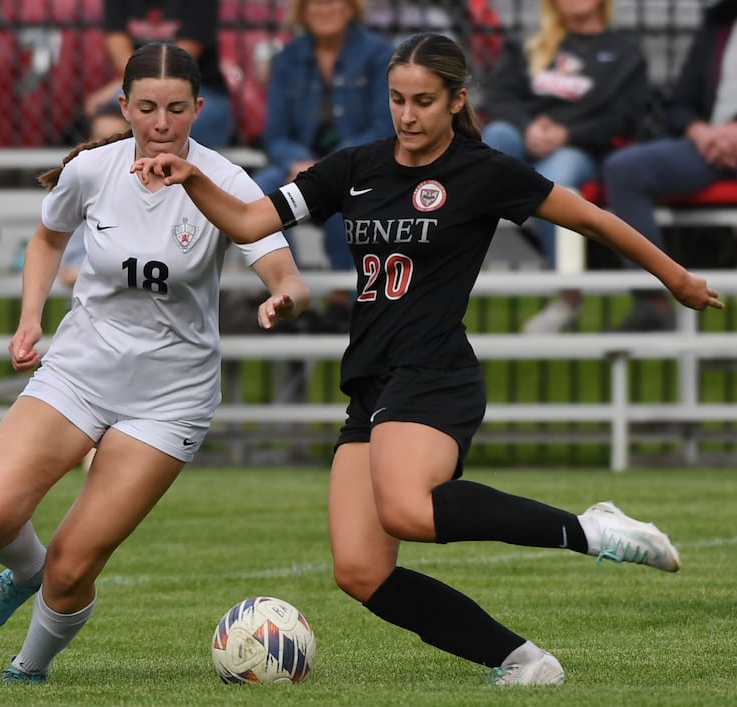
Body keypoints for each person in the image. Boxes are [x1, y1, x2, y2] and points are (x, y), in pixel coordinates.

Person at [132, 33, 722, 685]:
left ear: (456, 101)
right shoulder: (354, 168)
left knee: (408, 509)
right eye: (395, 99)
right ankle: (523, 661)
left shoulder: (483, 171)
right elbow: (247, 223)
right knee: (360, 569)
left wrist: (676, 278)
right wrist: (190, 179)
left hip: (435, 372)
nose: (407, 116)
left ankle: (590, 529)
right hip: (372, 383)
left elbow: (592, 220)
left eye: (423, 101)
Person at [0, 42, 310, 685]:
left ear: (199, 109)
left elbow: (286, 273)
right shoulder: (93, 170)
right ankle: (25, 571)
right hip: (79, 371)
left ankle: (27, 671)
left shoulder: (225, 181)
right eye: (147, 108)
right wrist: (30, 317)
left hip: (168, 397)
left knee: (73, 564)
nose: (162, 123)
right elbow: (45, 239)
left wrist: (281, 296)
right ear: (124, 106)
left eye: (177, 109)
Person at [480, 0, 648, 333]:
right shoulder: (530, 42)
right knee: (496, 134)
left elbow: (624, 119)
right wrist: (528, 127)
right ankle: (449, 261)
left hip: (577, 150)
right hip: (521, 140)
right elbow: (498, 98)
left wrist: (566, 133)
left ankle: (569, 297)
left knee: (556, 177)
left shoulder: (626, 54)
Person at [252, 0, 393, 332]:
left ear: (350, 7)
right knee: (258, 194)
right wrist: (299, 162)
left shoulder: (378, 54)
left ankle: (343, 300)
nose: (324, 9)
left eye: (333, 1)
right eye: (315, 2)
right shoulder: (288, 58)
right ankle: (287, 294)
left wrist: (327, 167)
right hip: (298, 164)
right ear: (302, 11)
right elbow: (274, 134)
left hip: (356, 163)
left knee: (349, 197)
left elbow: (382, 129)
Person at [602, 0, 737, 332]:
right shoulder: (718, 23)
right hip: (710, 147)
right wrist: (700, 131)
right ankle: (654, 303)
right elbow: (680, 104)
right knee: (625, 168)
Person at [84, 1, 233, 148]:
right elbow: (117, 44)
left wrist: (121, 85)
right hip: (140, 85)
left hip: (199, 90)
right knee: (106, 126)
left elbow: (177, 61)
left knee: (166, 130)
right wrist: (127, 84)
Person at [57, 104, 131, 289]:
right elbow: (71, 271)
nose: (106, 146)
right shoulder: (84, 192)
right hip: (93, 306)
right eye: (100, 139)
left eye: (116, 139)